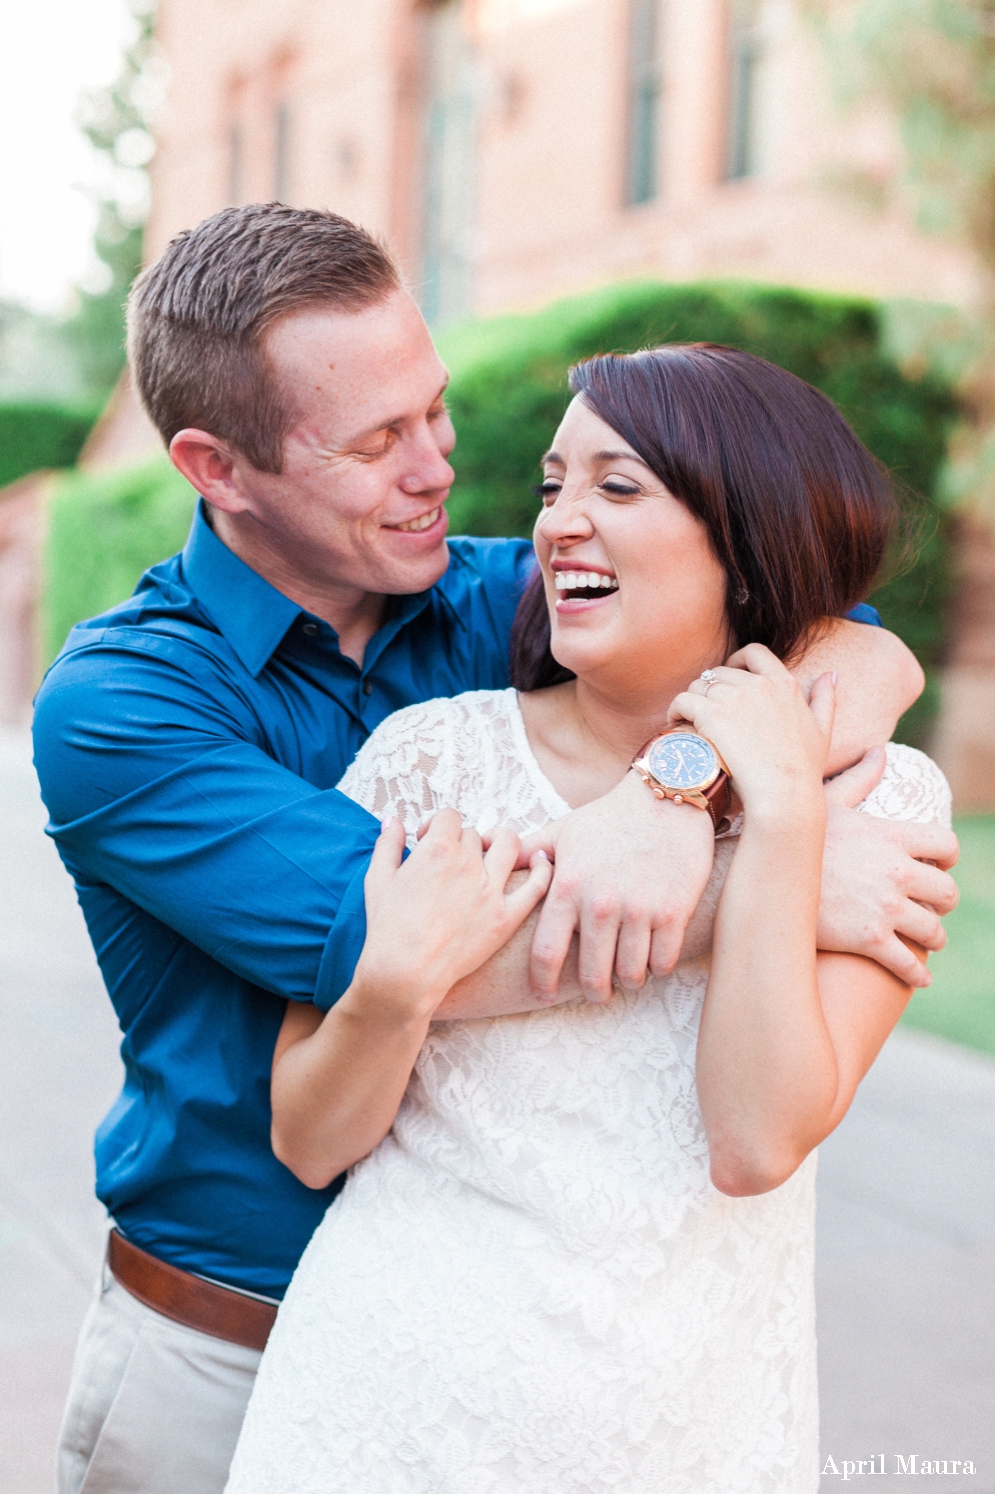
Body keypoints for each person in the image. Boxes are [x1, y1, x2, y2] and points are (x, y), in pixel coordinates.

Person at [31, 205, 957, 1494]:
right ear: (215, 466)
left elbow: (813, 617)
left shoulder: (496, 597)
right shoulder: (124, 707)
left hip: (590, 1365)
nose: (437, 468)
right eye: (373, 442)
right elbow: (413, 952)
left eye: (434, 410)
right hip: (227, 1344)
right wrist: (780, 883)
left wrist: (674, 789)